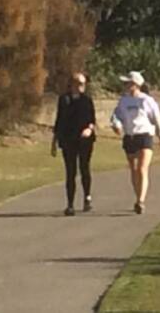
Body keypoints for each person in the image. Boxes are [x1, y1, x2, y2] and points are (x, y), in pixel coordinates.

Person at [109, 71, 160, 214]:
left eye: (128, 83)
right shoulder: (123, 101)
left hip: (145, 136)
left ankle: (141, 200)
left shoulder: (146, 100)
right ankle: (137, 197)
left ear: (135, 84)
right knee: (134, 169)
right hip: (130, 137)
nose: (126, 85)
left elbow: (157, 118)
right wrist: (116, 124)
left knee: (142, 168)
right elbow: (116, 115)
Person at [52, 72, 96, 216]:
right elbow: (59, 120)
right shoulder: (64, 100)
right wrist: (54, 141)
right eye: (79, 84)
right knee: (70, 171)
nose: (81, 87)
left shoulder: (87, 100)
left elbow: (92, 119)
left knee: (84, 167)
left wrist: (89, 129)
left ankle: (87, 198)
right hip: (68, 140)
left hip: (85, 140)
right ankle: (70, 204)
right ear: (72, 85)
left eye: (83, 84)